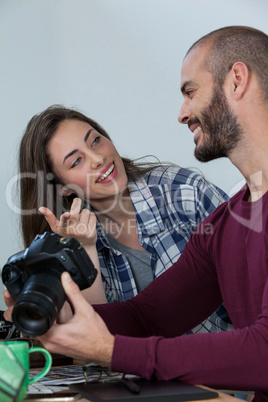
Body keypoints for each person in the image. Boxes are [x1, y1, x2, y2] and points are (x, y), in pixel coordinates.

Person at [7, 24, 268, 398]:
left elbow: (263, 351)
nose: (182, 113)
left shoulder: (190, 198)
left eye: (190, 92)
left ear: (237, 80)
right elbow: (146, 317)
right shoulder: (224, 225)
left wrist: (113, 351)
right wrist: (58, 314)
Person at [14, 104, 231, 332]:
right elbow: (98, 338)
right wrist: (84, 248)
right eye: (76, 161)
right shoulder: (72, 240)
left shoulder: (184, 191)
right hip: (140, 367)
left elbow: (254, 275)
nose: (98, 158)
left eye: (95, 141)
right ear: (62, 188)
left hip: (226, 359)